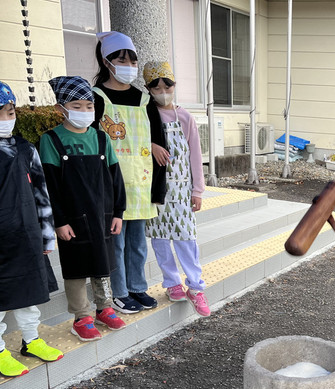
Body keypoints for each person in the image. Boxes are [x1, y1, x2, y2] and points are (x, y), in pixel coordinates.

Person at [40, 76, 127, 342]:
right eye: (76, 106)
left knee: (103, 262)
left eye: (89, 106)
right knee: (76, 267)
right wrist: (59, 221)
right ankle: (81, 316)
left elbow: (115, 177)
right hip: (72, 216)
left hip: (102, 213)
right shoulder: (51, 140)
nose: (84, 111)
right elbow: (49, 185)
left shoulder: (101, 138)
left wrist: (118, 212)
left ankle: (105, 308)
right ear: (61, 108)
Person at [92, 31, 166, 314]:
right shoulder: (97, 98)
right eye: (122, 60)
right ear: (106, 61)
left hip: (141, 182)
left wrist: (158, 186)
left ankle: (137, 287)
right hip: (113, 184)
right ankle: (120, 293)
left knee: (137, 243)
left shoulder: (144, 99)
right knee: (117, 243)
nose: (129, 66)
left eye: (132, 61)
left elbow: (158, 140)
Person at [0, 81, 64, 376]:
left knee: (29, 291)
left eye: (9, 112)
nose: (6, 119)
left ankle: (31, 339)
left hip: (26, 234)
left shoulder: (26, 148)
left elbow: (41, 192)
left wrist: (47, 234)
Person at [142, 61, 210, 317]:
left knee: (186, 238)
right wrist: (150, 146)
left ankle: (196, 286)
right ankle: (172, 282)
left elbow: (195, 156)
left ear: (174, 86)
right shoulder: (145, 115)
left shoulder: (185, 117)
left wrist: (197, 190)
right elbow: (133, 142)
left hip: (182, 188)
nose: (163, 92)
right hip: (156, 189)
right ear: (148, 89)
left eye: (167, 86)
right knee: (160, 239)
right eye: (156, 88)